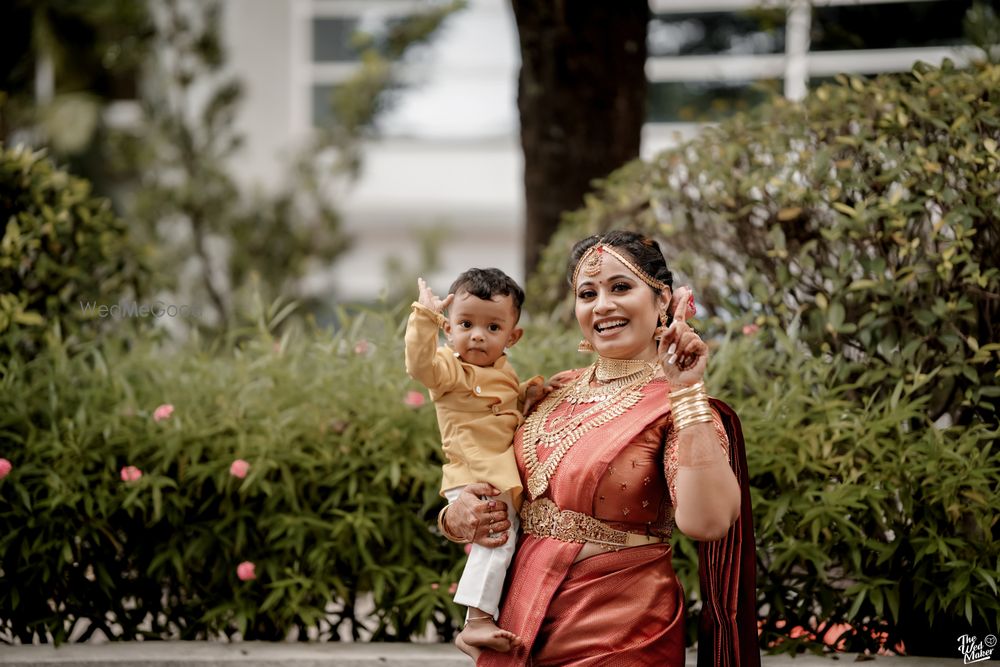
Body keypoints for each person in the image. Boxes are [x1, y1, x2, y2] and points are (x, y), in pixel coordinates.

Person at [439, 230, 760, 666]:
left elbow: (709, 522)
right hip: (519, 622)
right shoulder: (551, 390)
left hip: (621, 627)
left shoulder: (677, 404)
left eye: (621, 287)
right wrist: (456, 519)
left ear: (663, 300)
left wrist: (687, 392)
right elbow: (496, 487)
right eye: (587, 293)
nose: (602, 305)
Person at [404, 268, 544, 659]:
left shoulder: (502, 370)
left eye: (492, 327)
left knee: (507, 541)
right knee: (496, 539)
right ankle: (476, 622)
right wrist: (423, 318)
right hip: (475, 475)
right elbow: (419, 365)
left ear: (512, 337)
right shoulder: (450, 369)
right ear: (449, 328)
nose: (477, 335)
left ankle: (490, 615)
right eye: (465, 324)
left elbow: (504, 405)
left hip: (495, 470)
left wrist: (527, 396)